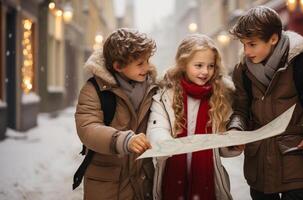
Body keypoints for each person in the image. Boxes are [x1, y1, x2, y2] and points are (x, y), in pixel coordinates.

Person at [228, 6, 303, 200]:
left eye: (252, 44)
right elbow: (241, 109)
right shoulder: (242, 72)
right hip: (259, 168)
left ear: (273, 38)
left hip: (297, 162)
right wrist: (236, 129)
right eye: (244, 44)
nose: (246, 51)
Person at [146, 34, 244, 200]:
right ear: (184, 64)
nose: (205, 72)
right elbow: (157, 127)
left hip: (208, 179)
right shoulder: (164, 95)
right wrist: (165, 144)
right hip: (172, 174)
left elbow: (219, 148)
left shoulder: (220, 97)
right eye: (198, 65)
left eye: (210, 66)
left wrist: (231, 144)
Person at [75, 28, 158, 200]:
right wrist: (123, 140)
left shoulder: (153, 88)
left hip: (142, 181)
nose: (147, 67)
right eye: (140, 63)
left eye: (147, 61)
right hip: (107, 184)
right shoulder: (95, 90)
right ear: (118, 66)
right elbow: (88, 128)